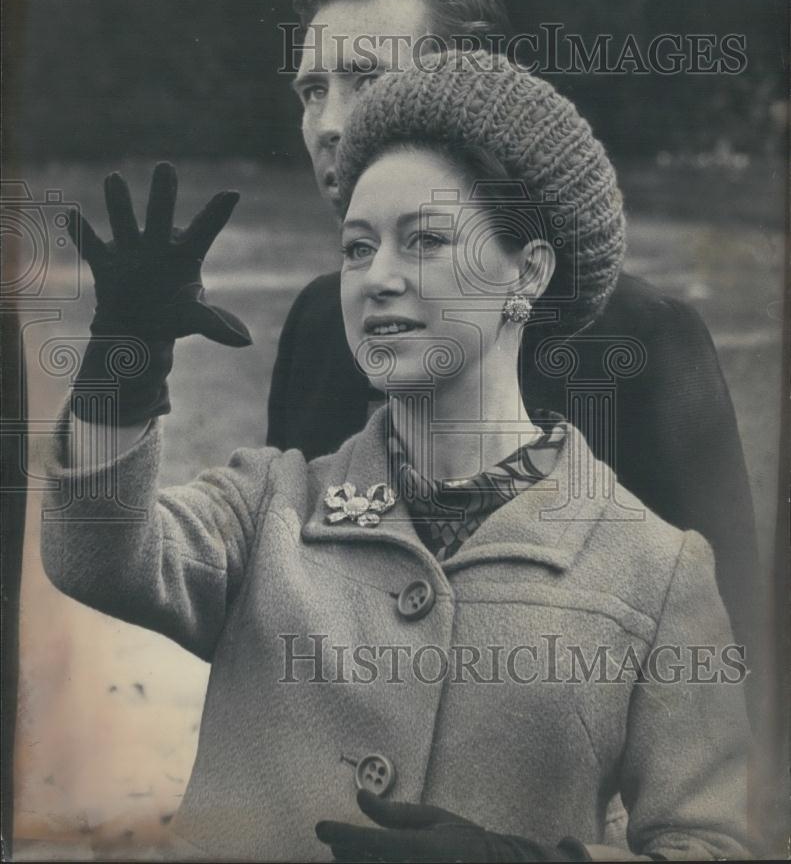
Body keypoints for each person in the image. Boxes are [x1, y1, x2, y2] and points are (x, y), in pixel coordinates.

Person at [42, 54, 753, 861]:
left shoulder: (657, 573)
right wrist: (121, 363)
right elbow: (95, 555)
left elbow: (709, 843)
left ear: (528, 270)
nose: (376, 279)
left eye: (424, 240)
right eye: (355, 248)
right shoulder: (267, 507)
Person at [268, 0, 759, 665]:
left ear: (470, 89)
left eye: (365, 80)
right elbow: (278, 609)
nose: (330, 124)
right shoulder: (317, 324)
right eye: (313, 90)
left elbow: (730, 653)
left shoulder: (643, 340)